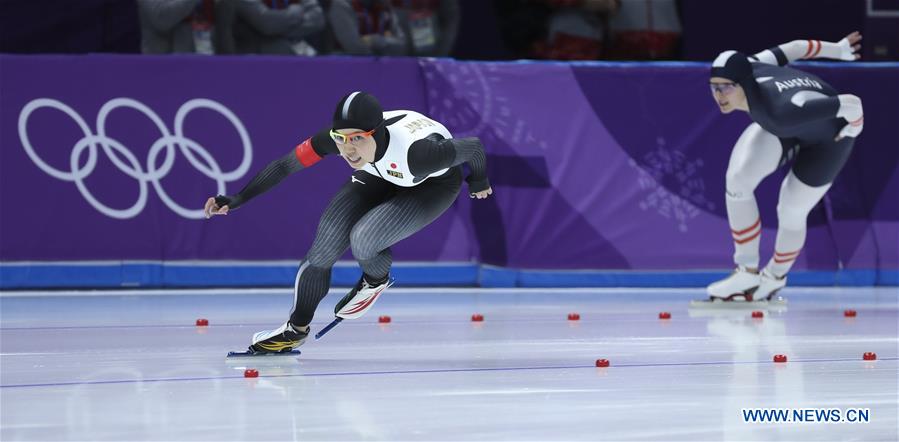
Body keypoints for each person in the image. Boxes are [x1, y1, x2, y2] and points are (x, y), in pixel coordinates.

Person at [204, 91, 492, 353]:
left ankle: (375, 279)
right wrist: (238, 198)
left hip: (430, 185)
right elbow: (285, 165)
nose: (348, 149)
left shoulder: (420, 155)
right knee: (323, 249)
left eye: (357, 138)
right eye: (341, 139)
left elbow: (475, 147)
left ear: (376, 134)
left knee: (364, 239)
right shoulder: (337, 141)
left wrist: (478, 181)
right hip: (379, 172)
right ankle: (295, 329)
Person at [705, 32, 864, 302]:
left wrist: (851, 131)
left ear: (743, 83)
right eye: (714, 87)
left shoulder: (779, 112)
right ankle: (746, 270)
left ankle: (774, 278)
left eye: (727, 87)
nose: (720, 95)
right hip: (787, 127)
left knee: (790, 210)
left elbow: (852, 103)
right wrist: (837, 49)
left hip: (828, 141)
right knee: (737, 180)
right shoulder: (753, 63)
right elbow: (796, 47)